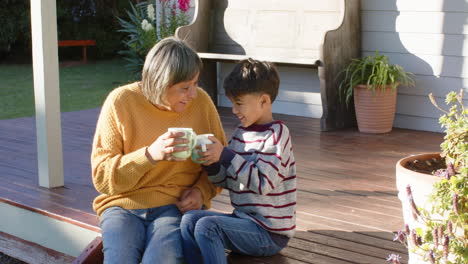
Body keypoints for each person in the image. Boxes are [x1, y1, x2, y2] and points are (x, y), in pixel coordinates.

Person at [90, 37, 227, 264]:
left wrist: (201, 193)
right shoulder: (121, 102)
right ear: (161, 82)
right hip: (123, 206)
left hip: (173, 207)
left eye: (195, 84)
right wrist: (150, 155)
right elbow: (102, 178)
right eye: (185, 87)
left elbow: (219, 165)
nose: (193, 94)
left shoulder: (202, 103)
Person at [180, 58, 297, 264]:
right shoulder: (240, 134)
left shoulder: (277, 134)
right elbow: (227, 181)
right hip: (243, 221)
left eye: (239, 103)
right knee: (190, 220)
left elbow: (263, 184)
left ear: (264, 101)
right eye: (232, 103)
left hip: (269, 232)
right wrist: (213, 164)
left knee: (208, 227)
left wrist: (226, 155)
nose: (234, 110)